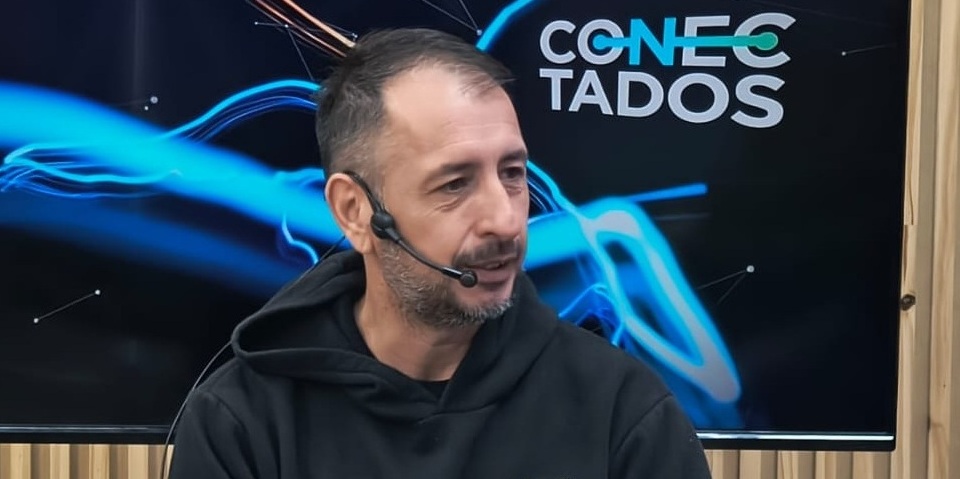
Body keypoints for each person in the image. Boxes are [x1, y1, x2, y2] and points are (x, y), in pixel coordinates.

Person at [167, 27, 712, 479]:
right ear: (355, 212)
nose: (506, 220)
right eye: (454, 184)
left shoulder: (621, 408)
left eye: (512, 174)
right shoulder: (241, 421)